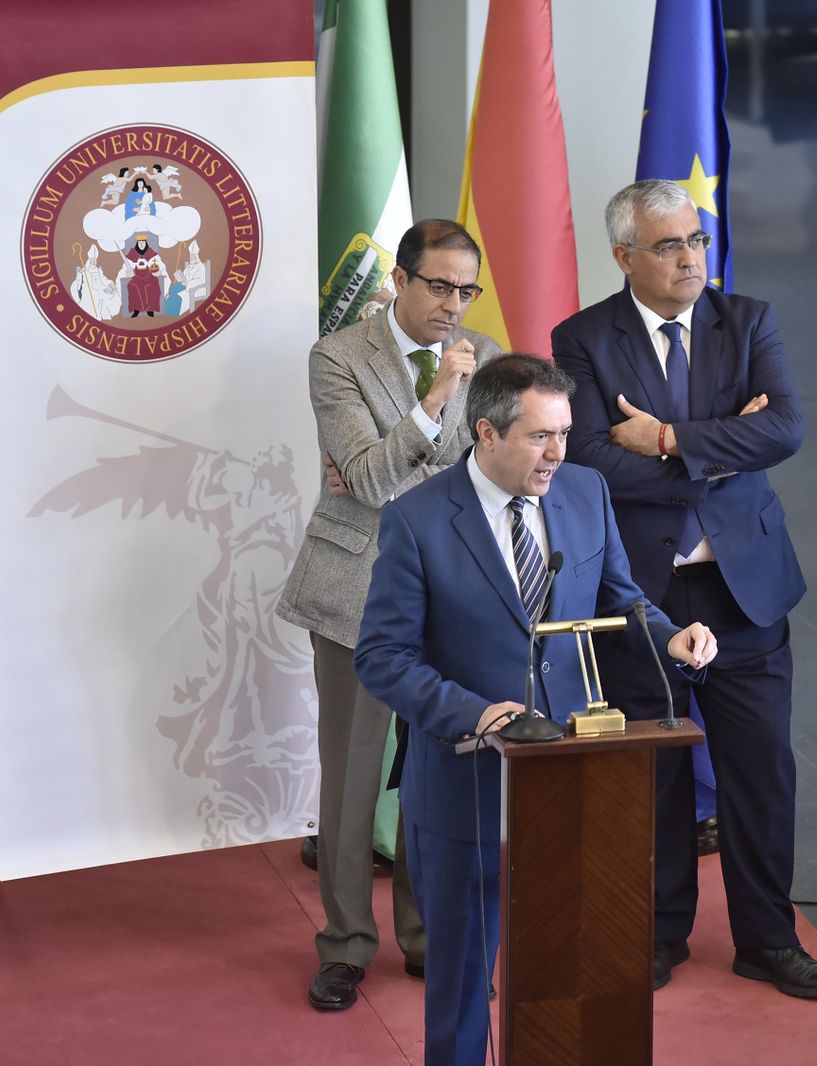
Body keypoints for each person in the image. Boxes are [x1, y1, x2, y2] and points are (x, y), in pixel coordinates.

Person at [354, 354, 717, 1066]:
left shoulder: (585, 493)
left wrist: (672, 636)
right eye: (539, 436)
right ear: (485, 433)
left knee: (571, 976)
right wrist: (476, 713)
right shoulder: (417, 521)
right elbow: (382, 659)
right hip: (467, 784)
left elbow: (619, 597)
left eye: (565, 433)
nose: (558, 453)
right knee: (460, 987)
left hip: (574, 773)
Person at [551, 179, 817, 1000]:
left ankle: (768, 940)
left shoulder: (747, 320)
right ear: (624, 256)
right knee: (654, 772)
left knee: (760, 773)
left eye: (698, 241)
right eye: (670, 245)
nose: (691, 258)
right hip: (642, 591)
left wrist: (672, 439)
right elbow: (589, 458)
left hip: (745, 588)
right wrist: (719, 454)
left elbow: (784, 427)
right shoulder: (581, 339)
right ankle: (655, 931)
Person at [274, 219, 501, 1012]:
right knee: (354, 774)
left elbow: (490, 477)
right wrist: (439, 399)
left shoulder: (491, 361)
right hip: (353, 595)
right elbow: (370, 484)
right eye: (438, 286)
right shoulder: (337, 358)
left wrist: (400, 458)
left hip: (449, 595)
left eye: (466, 290)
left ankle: (428, 936)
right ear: (398, 282)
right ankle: (344, 945)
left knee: (435, 774)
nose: (454, 305)